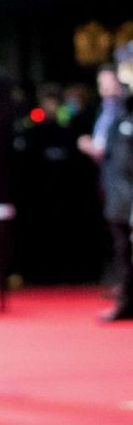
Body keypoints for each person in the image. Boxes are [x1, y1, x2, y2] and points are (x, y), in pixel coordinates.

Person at [80, 63, 133, 321]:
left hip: (126, 189)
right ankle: (126, 299)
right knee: (121, 246)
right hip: (114, 187)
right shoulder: (106, 112)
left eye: (108, 82)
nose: (104, 88)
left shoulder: (124, 110)